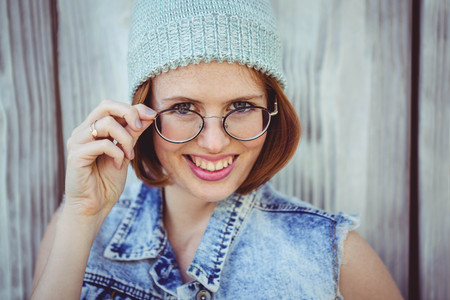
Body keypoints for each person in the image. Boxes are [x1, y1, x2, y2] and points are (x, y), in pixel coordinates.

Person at [31, 0, 403, 299]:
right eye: (183, 108)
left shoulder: (336, 258)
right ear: (142, 111)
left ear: (272, 110)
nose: (213, 143)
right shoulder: (76, 227)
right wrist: (82, 215)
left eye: (241, 107)